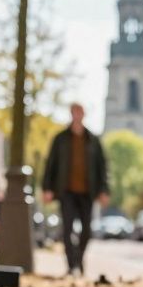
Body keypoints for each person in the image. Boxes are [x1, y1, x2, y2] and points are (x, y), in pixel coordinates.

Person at [42, 104, 110, 275]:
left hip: (88, 191)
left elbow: (102, 167)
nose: (77, 115)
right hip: (66, 191)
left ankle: (79, 260)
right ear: (71, 114)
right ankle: (72, 265)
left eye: (80, 112)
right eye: (74, 112)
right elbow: (51, 163)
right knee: (67, 229)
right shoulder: (61, 139)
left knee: (87, 230)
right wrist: (47, 188)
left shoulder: (93, 139)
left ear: (84, 114)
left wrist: (104, 190)